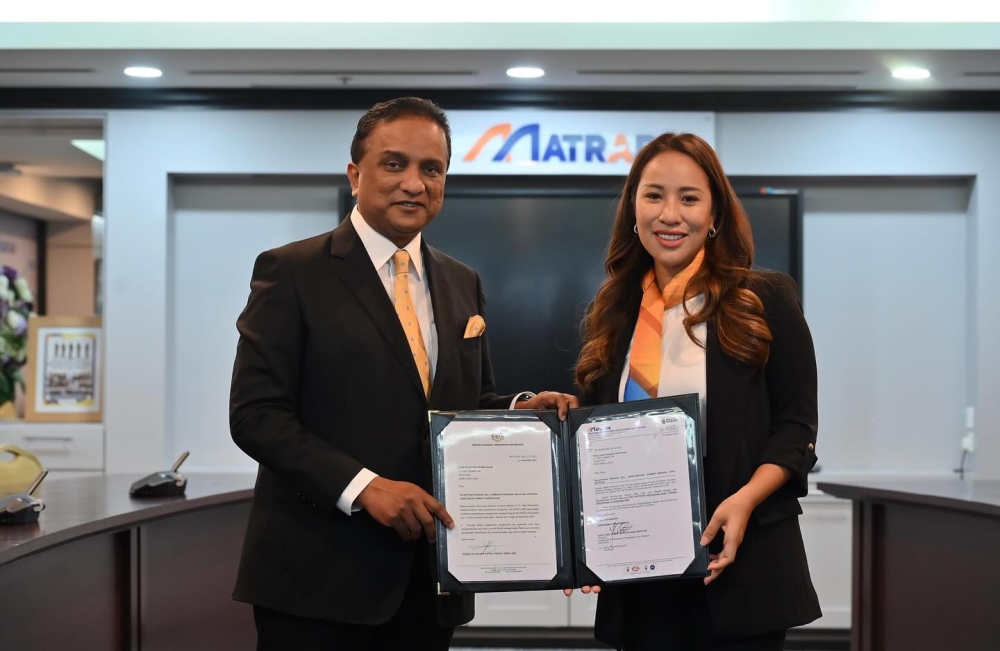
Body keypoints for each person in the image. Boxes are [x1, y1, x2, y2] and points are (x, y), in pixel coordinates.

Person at [229, 96, 578, 651]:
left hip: (429, 582)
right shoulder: (291, 271)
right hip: (317, 583)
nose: (414, 183)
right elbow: (257, 416)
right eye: (395, 164)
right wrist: (365, 489)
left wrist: (518, 413)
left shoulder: (462, 281)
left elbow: (460, 405)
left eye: (431, 169)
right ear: (355, 174)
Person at [570, 132, 821, 650]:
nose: (670, 214)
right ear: (633, 209)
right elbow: (596, 443)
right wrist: (585, 538)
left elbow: (796, 425)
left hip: (741, 566)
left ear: (715, 216)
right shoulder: (613, 311)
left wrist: (745, 500)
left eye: (689, 198)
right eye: (654, 195)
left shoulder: (763, 297)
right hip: (639, 578)